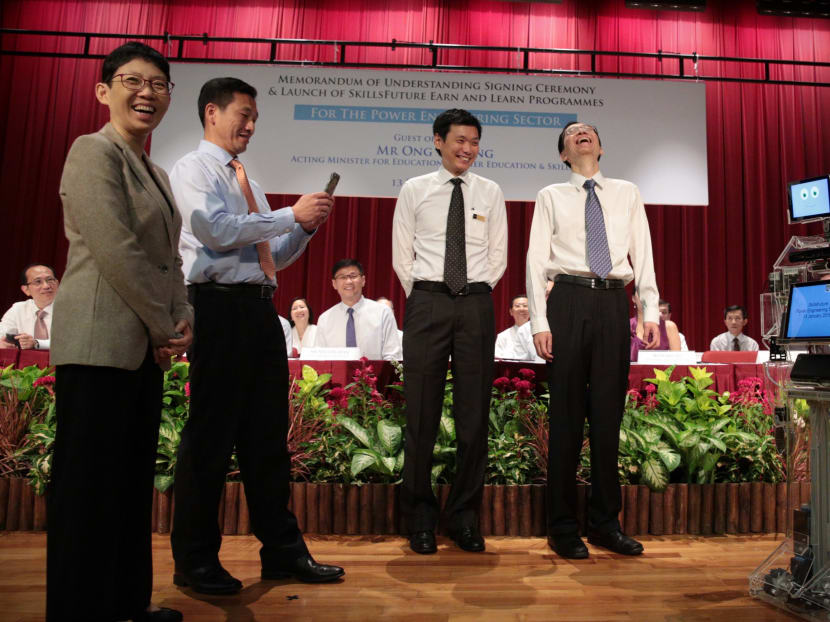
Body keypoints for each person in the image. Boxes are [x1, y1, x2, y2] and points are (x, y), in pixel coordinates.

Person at [169, 76, 343, 595]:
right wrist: (290, 213)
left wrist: (303, 229)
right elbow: (215, 231)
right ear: (211, 113)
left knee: (268, 442)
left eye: (254, 118)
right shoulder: (193, 169)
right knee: (210, 441)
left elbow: (270, 260)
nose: (249, 125)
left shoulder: (246, 178)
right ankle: (195, 561)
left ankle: (282, 552)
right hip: (217, 313)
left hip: (258, 313)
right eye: (242, 114)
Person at [48, 42, 191, 622]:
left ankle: (125, 602)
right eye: (133, 81)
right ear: (103, 90)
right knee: (87, 492)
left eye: (159, 84)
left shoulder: (155, 171)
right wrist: (164, 325)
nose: (147, 93)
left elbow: (169, 260)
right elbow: (117, 251)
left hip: (140, 353)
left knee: (129, 486)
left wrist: (184, 317)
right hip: (99, 345)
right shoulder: (92, 151)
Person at [526, 121, 659, 560]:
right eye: (571, 133)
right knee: (565, 420)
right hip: (565, 299)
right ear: (564, 154)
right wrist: (540, 322)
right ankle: (562, 526)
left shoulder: (626, 192)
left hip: (611, 304)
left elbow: (643, 252)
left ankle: (605, 524)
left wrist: (648, 309)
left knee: (607, 420)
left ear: (600, 147)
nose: (581, 133)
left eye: (589, 131)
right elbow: (534, 262)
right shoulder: (550, 196)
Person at [392, 108, 507, 555]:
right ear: (438, 140)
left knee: (473, 417)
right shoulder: (414, 189)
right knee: (420, 414)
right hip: (427, 301)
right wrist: (428, 294)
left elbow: (497, 256)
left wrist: (472, 293)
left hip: (477, 302)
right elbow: (403, 255)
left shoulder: (490, 191)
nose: (468, 149)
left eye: (474, 142)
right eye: (460, 140)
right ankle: (419, 519)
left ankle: (464, 517)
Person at [315, 259, 402, 360]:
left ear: (363, 280)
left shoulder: (383, 312)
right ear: (334, 283)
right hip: (336, 375)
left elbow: (392, 355)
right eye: (342, 277)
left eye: (353, 276)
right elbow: (320, 358)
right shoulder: (325, 319)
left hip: (377, 375)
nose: (348, 281)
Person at [0, 264, 59, 350]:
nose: (46, 286)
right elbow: (2, 333)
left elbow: (74, 341)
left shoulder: (72, 309)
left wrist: (37, 343)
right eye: (38, 281)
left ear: (57, 284)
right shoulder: (18, 309)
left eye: (50, 280)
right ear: (26, 290)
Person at [630, 293, 680, 359]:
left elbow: (677, 361)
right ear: (634, 298)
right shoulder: (627, 325)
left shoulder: (669, 326)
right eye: (642, 292)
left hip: (661, 369)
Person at [494, 294, 536, 360]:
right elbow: (498, 359)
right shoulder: (503, 336)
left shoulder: (538, 333)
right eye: (517, 306)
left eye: (525, 306)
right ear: (511, 312)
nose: (521, 309)